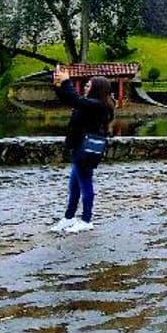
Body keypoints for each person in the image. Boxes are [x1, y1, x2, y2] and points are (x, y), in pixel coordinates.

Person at [49, 67, 115, 233]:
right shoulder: (90, 104)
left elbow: (75, 100)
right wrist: (58, 86)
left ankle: (86, 219)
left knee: (85, 185)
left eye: (88, 85)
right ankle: (69, 217)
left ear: (97, 89)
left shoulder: (97, 105)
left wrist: (66, 81)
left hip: (86, 150)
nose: (85, 87)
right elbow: (70, 100)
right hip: (80, 148)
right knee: (75, 186)